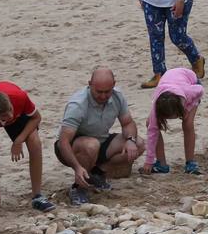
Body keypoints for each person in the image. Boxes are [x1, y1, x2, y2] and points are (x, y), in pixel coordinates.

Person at [55, 68, 143, 206]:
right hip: (72, 148)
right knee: (91, 145)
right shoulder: (78, 105)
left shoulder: (118, 96)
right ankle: (78, 188)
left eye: (107, 92)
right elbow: (63, 142)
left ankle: (96, 173)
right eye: (99, 92)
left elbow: (128, 123)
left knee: (139, 143)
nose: (103, 96)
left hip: (100, 141)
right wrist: (77, 167)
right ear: (90, 84)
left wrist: (130, 140)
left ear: (114, 85)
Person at [0, 81, 54, 214]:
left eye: (10, 110)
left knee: (34, 141)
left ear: (9, 103)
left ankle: (38, 196)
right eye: (4, 116)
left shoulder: (20, 97)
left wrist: (18, 140)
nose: (9, 116)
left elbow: (37, 118)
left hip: (14, 108)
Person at [141, 67, 204, 176]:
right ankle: (161, 164)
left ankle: (190, 163)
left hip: (191, 81)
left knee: (187, 123)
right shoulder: (157, 105)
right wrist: (149, 161)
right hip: (168, 85)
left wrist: (188, 109)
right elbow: (152, 132)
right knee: (150, 124)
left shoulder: (188, 92)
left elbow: (200, 90)